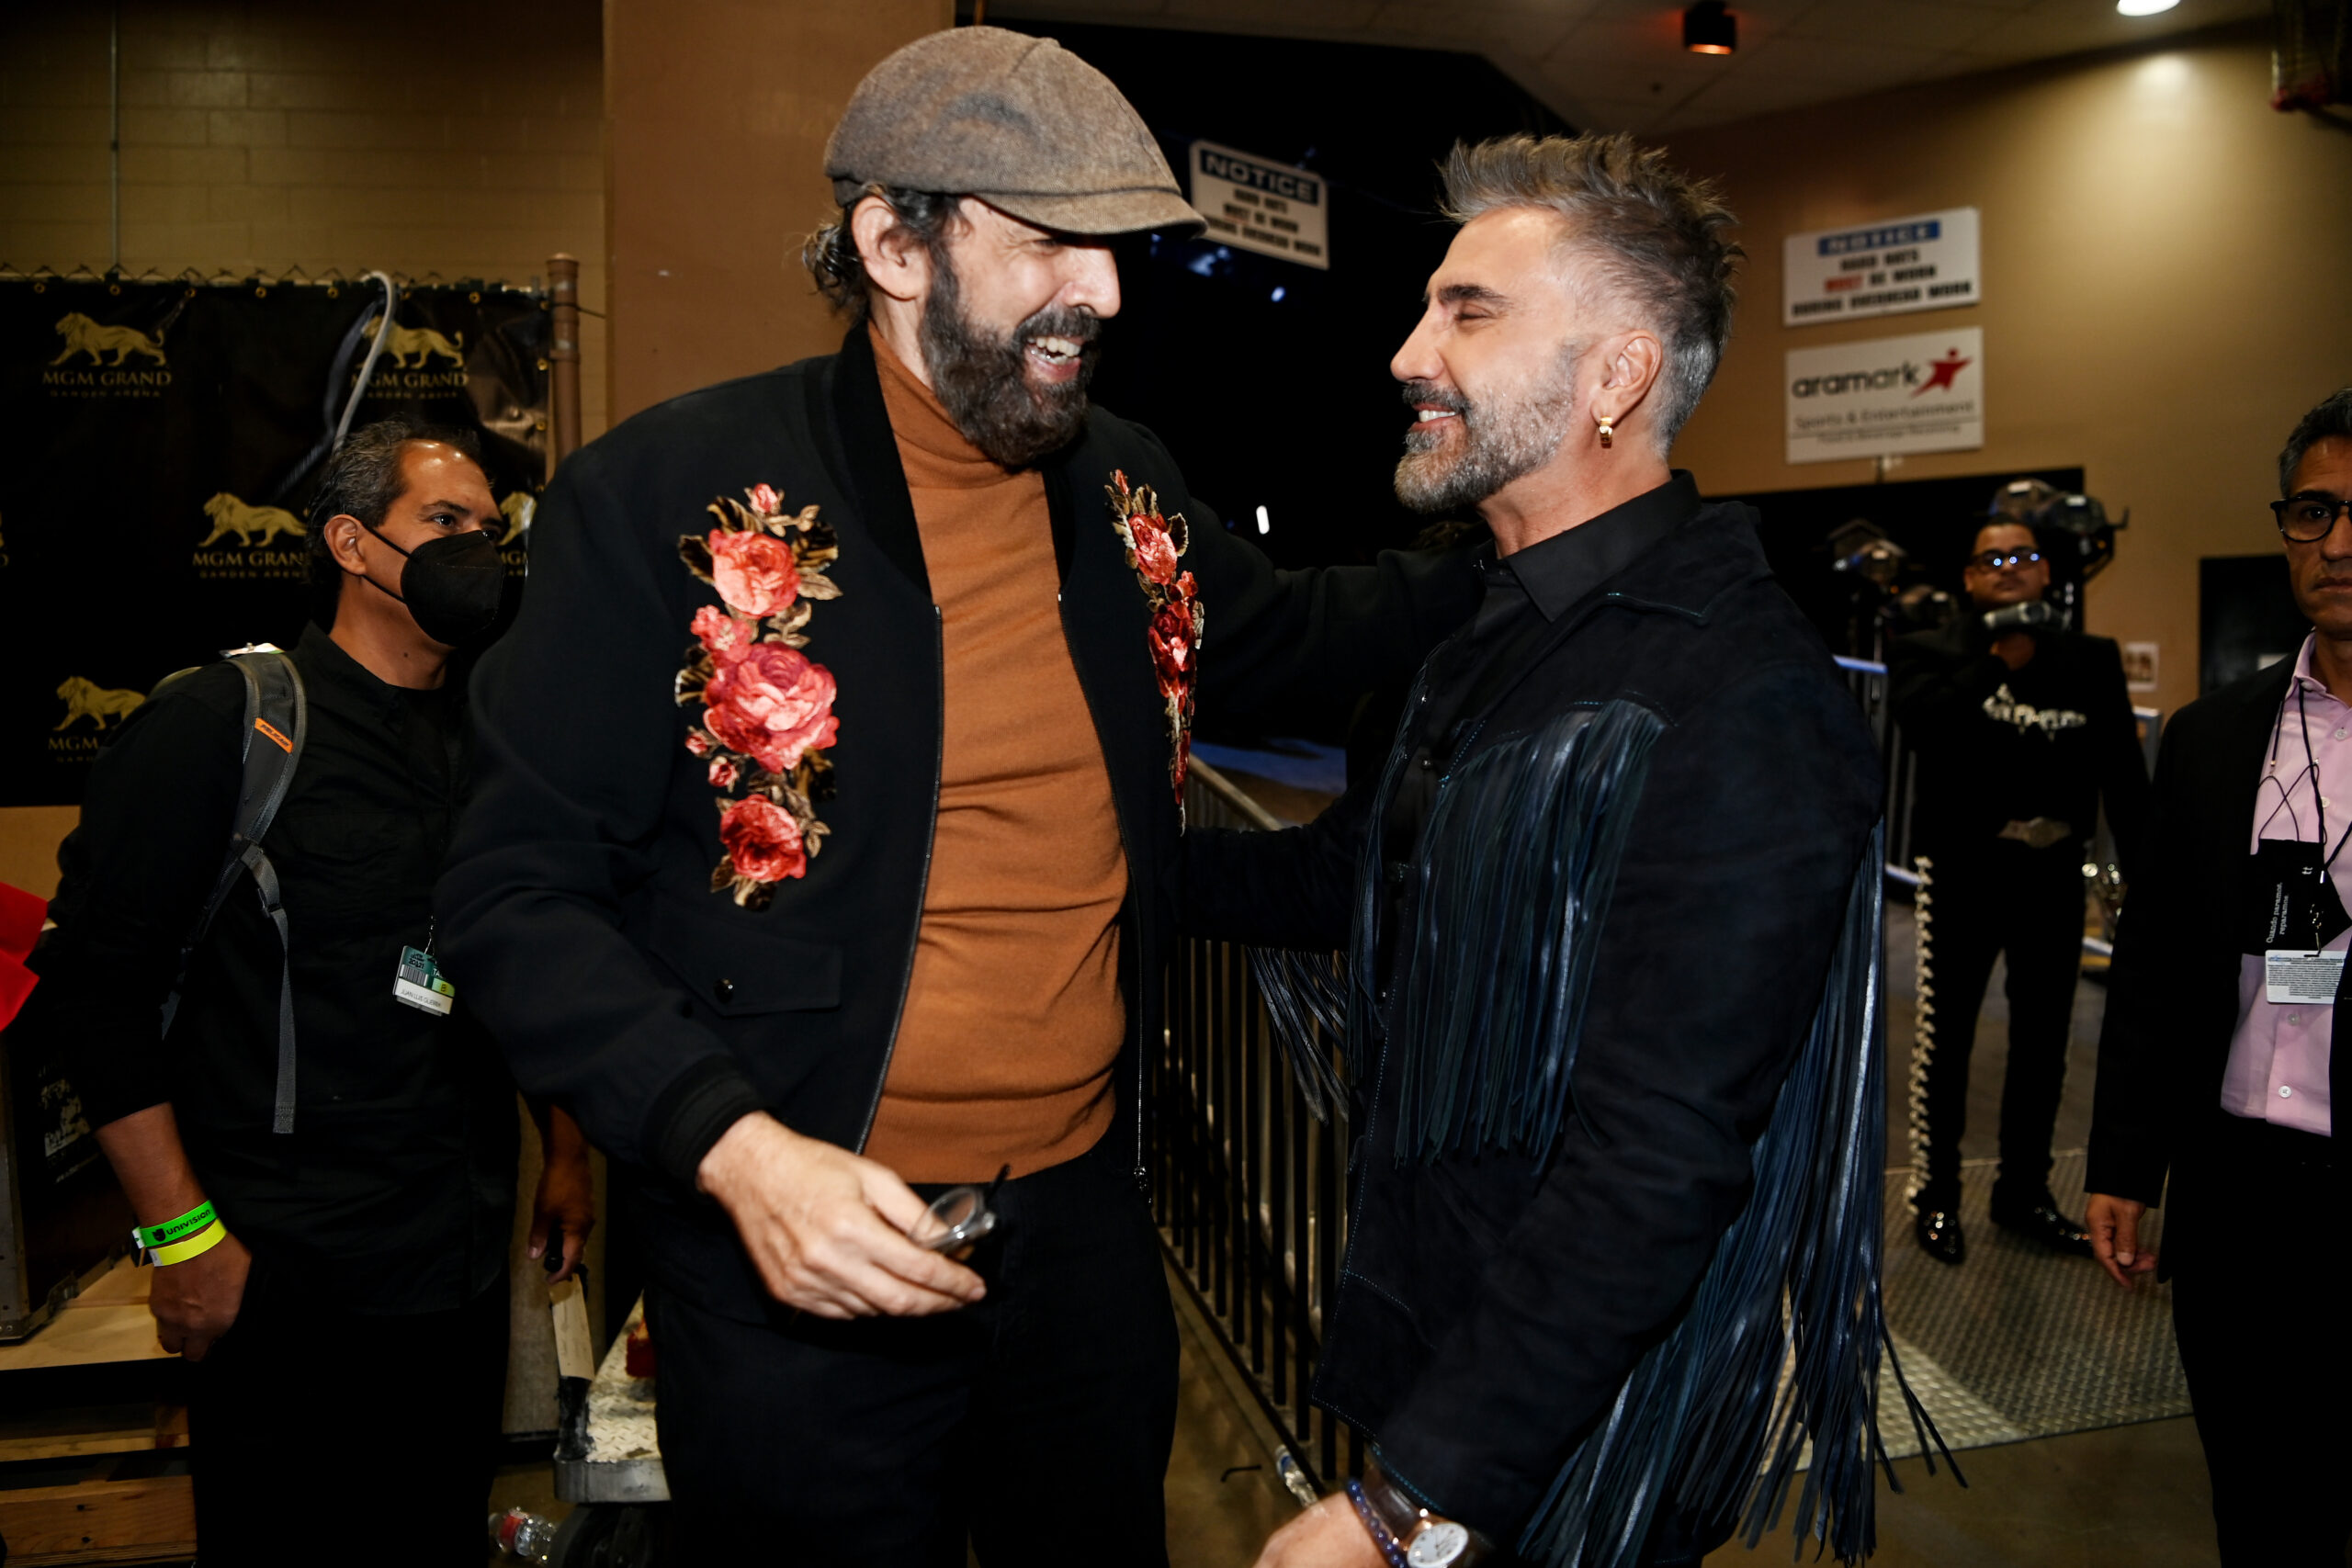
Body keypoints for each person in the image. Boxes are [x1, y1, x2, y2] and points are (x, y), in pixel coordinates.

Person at [435, 28, 1476, 1565]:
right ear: (894, 243)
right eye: (1054, 242)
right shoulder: (667, 497)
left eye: (1115, 250)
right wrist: (734, 1147)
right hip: (793, 1252)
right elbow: (510, 891)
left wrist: (1542, 519)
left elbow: (1307, 639)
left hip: (1082, 1245)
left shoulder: (1121, 484)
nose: (1108, 294)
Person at [1188, 133, 1894, 1568]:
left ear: (1616, 377)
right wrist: (1078, 864)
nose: (1406, 352)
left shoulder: (1738, 694)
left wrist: (1410, 1506)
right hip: (1424, 1361)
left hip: (1572, 1453)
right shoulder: (1479, 637)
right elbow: (1351, 883)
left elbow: (1656, 1158)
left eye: (1468, 311)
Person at [37, 417, 595, 1565]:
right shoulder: (223, 727)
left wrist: (567, 1152)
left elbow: (524, 959)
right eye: (444, 524)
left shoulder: (493, 742)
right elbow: (96, 996)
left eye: (491, 529)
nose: (479, 551)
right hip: (281, 1279)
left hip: (455, 1269)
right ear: (350, 542)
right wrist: (185, 1242)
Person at [2086, 387, 2352, 1566]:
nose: (2339, 543)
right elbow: (2150, 968)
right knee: (2258, 1510)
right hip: (2238, 1197)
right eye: (2314, 511)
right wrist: (2124, 1164)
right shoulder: (2208, 737)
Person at [1889, 502, 2151, 1262]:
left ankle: (2023, 1192)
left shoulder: (2091, 658)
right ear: (1970, 579)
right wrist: (1997, 661)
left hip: (2052, 874)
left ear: (2046, 568)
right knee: (1948, 1041)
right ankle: (1936, 1193)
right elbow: (1926, 728)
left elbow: (2124, 783)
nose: (2010, 569)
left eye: (2023, 557)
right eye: (1991, 560)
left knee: (2042, 1044)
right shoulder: (1929, 651)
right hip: (1964, 870)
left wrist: (2150, 884)